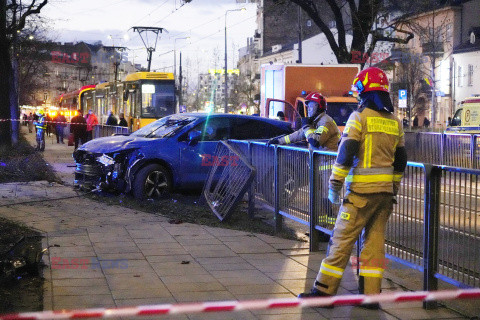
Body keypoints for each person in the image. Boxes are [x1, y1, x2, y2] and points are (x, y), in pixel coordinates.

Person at [298, 67, 408, 310]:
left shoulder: (358, 118)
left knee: (340, 241)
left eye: (359, 91)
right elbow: (401, 161)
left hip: (359, 194)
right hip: (385, 196)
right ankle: (370, 297)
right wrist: (394, 187)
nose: (357, 96)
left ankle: (324, 291)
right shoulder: (395, 122)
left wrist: (335, 184)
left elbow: (345, 154)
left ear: (365, 91)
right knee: (374, 244)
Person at [267, 91, 340, 152]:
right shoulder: (315, 122)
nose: (308, 109)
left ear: (318, 107)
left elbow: (315, 141)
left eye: (311, 106)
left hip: (328, 165)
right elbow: (298, 134)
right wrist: (279, 141)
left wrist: (306, 126)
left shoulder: (325, 122)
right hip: (319, 164)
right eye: (308, 106)